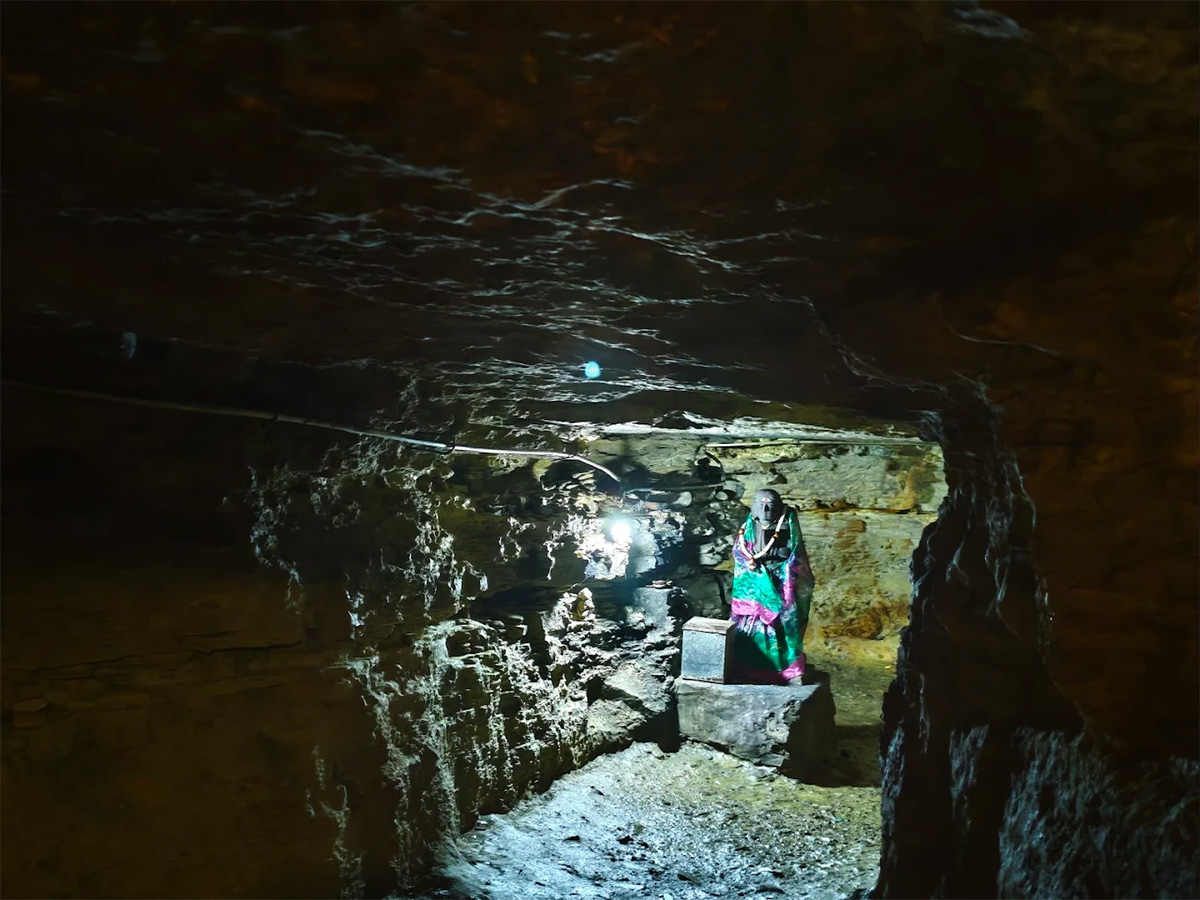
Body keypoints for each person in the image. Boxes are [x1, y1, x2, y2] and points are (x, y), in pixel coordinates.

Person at [729, 488, 814, 684]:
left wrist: (779, 566)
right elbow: (739, 551)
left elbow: (795, 554)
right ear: (753, 507)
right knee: (749, 627)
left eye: (771, 505)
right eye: (761, 505)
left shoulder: (787, 524)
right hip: (754, 583)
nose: (766, 509)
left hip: (780, 583)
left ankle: (787, 671)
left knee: (782, 625)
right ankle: (746, 669)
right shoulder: (748, 525)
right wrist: (752, 565)